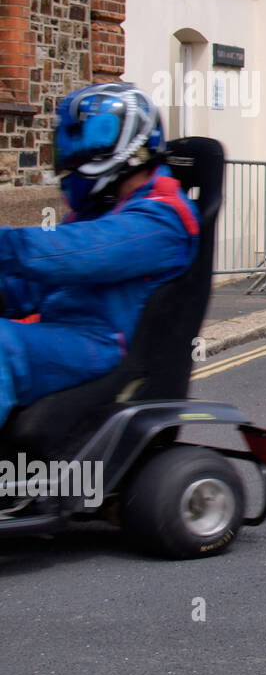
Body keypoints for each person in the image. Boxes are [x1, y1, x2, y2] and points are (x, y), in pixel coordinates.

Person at [0, 83, 198, 426]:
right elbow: (34, 285)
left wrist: (8, 245)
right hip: (64, 333)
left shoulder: (161, 218)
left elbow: (80, 253)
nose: (75, 153)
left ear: (129, 142)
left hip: (102, 345)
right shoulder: (101, 209)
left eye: (92, 139)